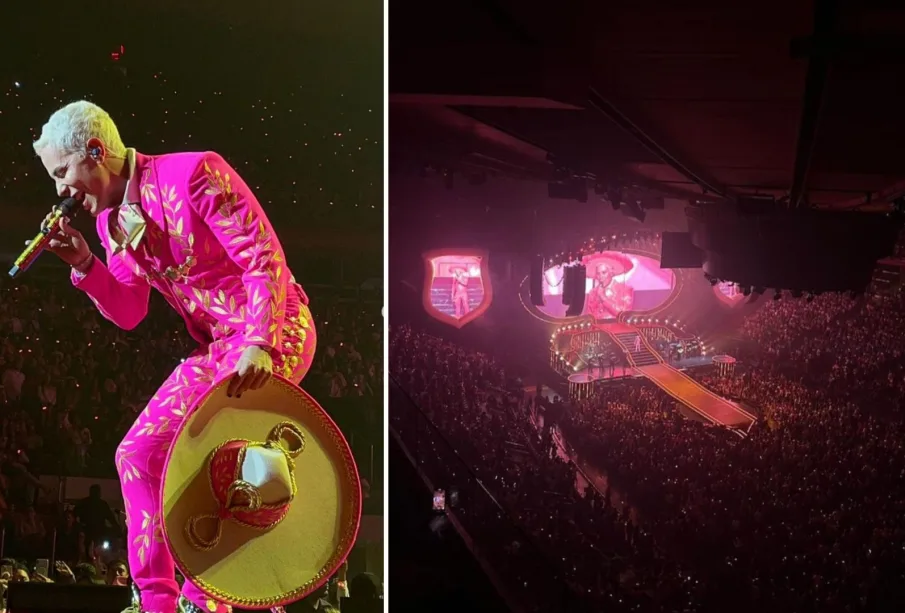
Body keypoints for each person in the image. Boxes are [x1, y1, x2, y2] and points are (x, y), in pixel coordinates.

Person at [31, 101, 317, 613]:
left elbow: (262, 258)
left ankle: (209, 598)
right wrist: (83, 264)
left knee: (222, 460)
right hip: (219, 350)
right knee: (137, 454)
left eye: (62, 173)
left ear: (95, 152)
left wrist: (259, 341)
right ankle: (157, 601)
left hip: (274, 329)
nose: (60, 191)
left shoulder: (194, 174)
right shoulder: (109, 226)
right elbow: (130, 312)